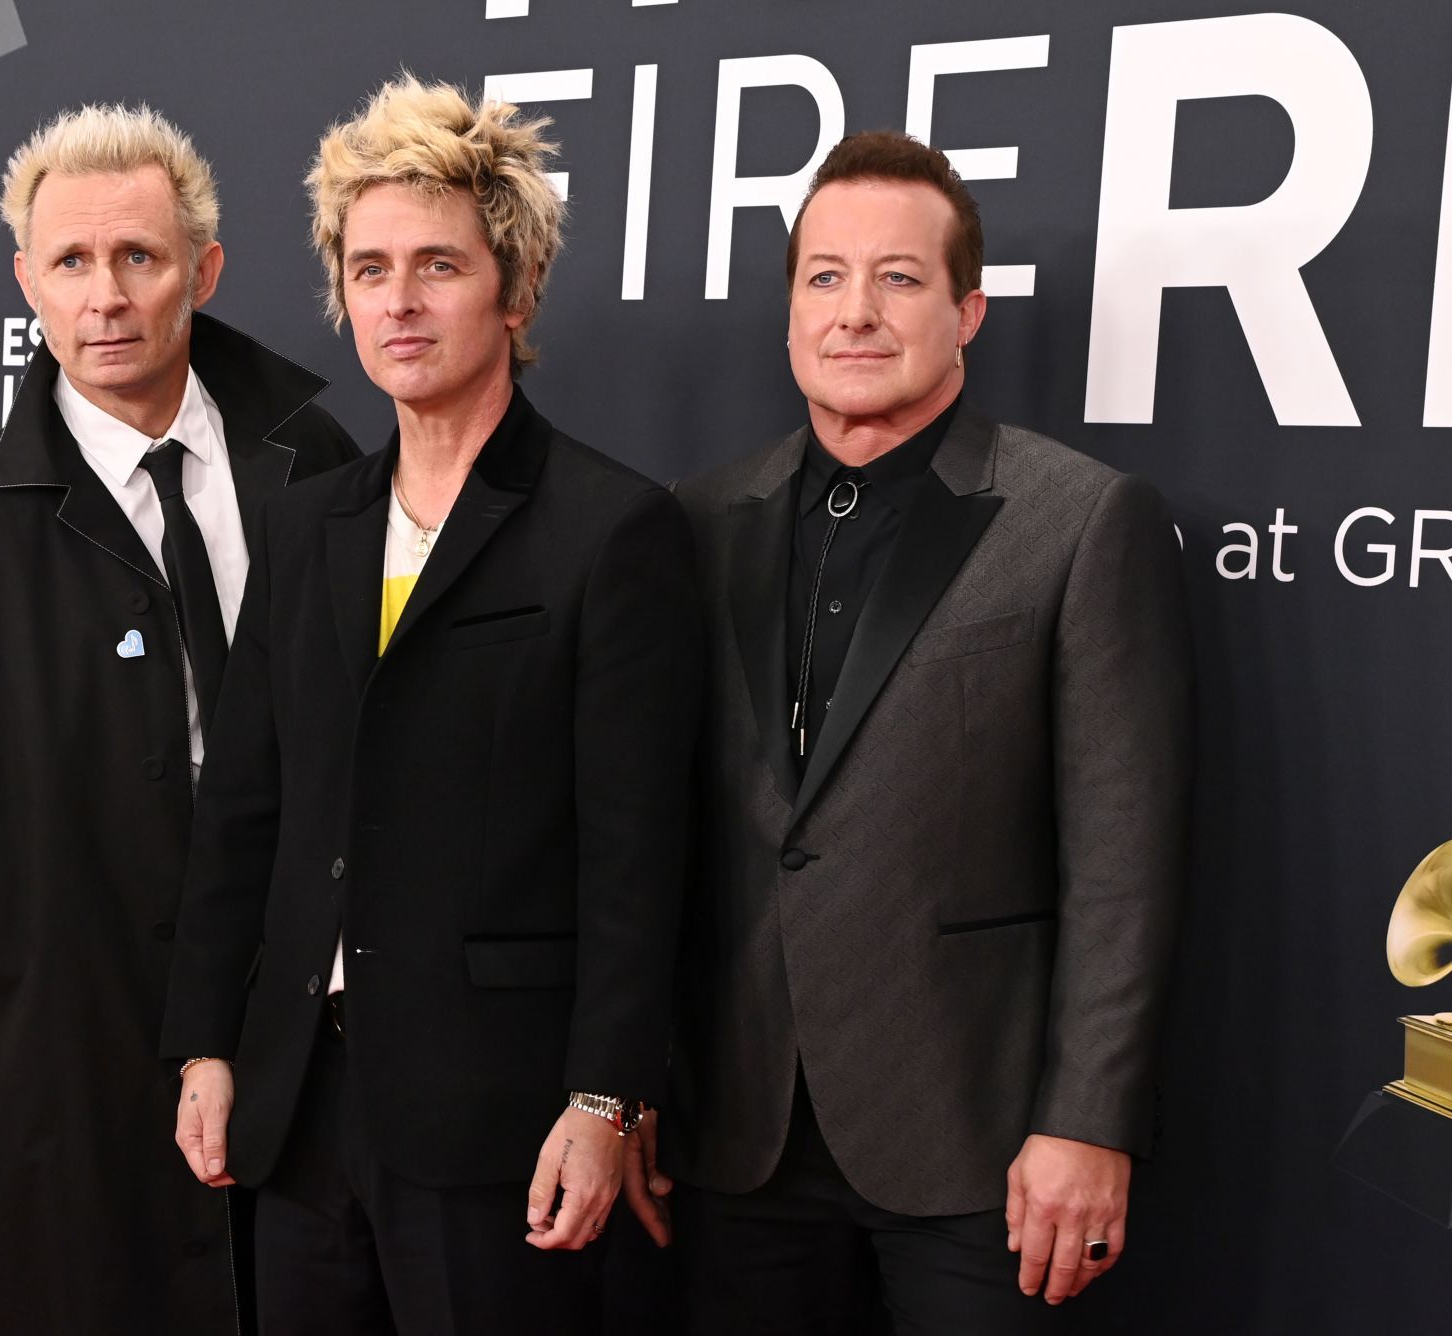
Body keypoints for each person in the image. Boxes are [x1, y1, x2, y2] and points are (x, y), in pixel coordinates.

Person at [160, 76, 703, 1335]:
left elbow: (637, 857)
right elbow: (243, 809)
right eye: (370, 269)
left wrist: (606, 1097)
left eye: (438, 266)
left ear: (514, 290)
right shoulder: (308, 525)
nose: (399, 301)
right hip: (299, 1108)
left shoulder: (611, 529)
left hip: (498, 1122)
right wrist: (205, 1042)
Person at [660, 130, 1192, 1334]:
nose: (856, 311)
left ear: (968, 311)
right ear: (791, 311)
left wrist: (1089, 1119)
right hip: (736, 1133)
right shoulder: (697, 518)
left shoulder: (1079, 519)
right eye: (826, 277)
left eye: (898, 278)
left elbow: (1127, 862)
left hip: (980, 1142)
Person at [0, 102, 358, 1334]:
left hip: (308, 1058)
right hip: (71, 1097)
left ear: (204, 270)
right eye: (72, 262)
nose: (105, 297)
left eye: (139, 257)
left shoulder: (313, 458)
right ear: (26, 284)